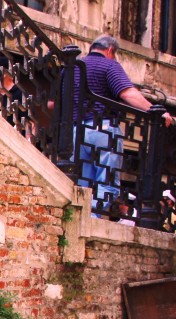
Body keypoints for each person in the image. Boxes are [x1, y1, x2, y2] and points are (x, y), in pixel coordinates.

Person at [73, 35, 173, 212]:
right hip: (103, 129)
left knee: (81, 184)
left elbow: (52, 103)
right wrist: (158, 111)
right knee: (107, 183)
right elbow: (127, 94)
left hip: (75, 130)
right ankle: (93, 218)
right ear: (110, 50)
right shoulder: (110, 65)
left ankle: (80, 218)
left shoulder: (73, 67)